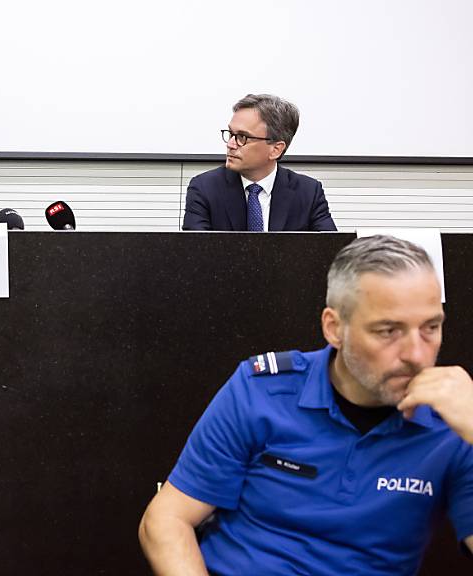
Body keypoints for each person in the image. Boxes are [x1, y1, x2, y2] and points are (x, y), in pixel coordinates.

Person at [139, 235, 473, 575]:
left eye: (431, 327)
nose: (416, 354)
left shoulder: (456, 422)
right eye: (388, 331)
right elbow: (167, 519)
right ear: (334, 328)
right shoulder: (263, 390)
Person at [182, 94, 337, 232]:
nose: (230, 144)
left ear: (276, 149)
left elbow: (331, 253)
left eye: (242, 137)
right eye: (230, 134)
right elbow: (196, 256)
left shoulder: (308, 192)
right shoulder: (204, 188)